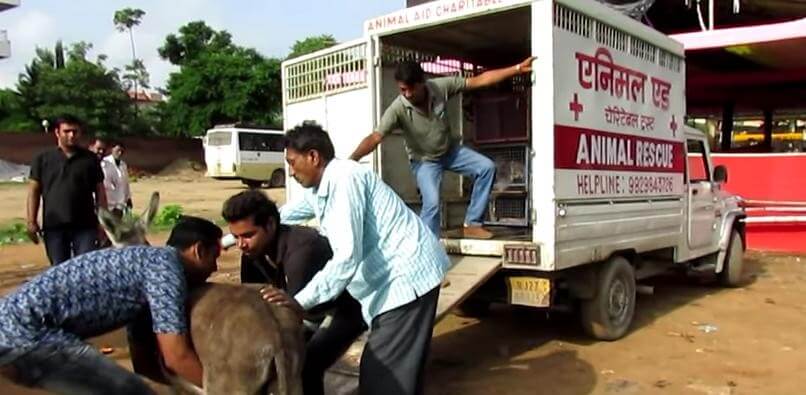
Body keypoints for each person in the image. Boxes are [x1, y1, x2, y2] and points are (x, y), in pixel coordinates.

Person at [262, 122, 450, 395]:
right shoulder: (322, 186)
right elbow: (285, 214)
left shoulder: (344, 180)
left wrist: (299, 302)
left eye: (292, 162)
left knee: (383, 378)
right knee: (397, 373)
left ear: (313, 157)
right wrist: (230, 237)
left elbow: (347, 258)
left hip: (405, 279)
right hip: (384, 283)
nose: (289, 172)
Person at [0, 216, 223, 394]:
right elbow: (177, 356)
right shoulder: (167, 270)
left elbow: (144, 356)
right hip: (27, 334)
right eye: (214, 257)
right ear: (199, 250)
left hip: (15, 326)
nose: (214, 268)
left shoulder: (146, 263)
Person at [348, 57, 535, 239]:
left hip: (450, 152)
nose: (407, 94)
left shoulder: (439, 87)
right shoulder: (398, 109)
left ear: (423, 82)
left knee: (487, 167)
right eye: (402, 89)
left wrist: (516, 69)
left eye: (411, 89)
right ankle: (427, 247)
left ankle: (472, 224)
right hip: (424, 161)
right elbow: (375, 137)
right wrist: (351, 160)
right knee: (432, 204)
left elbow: (479, 81)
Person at [221, 189, 365, 395]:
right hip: (302, 310)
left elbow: (295, 314)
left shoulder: (303, 250)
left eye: (247, 235)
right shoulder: (252, 251)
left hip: (343, 310)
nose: (241, 244)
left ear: (270, 225)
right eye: (235, 237)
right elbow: (255, 300)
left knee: (305, 364)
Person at [27, 115, 108, 265]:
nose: (72, 135)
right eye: (67, 131)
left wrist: (103, 222)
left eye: (75, 131)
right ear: (57, 132)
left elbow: (100, 192)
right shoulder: (42, 159)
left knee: (85, 267)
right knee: (59, 269)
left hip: (85, 226)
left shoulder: (90, 160)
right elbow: (34, 191)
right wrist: (31, 221)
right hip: (54, 226)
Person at [102, 142, 133, 218]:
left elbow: (125, 183)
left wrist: (128, 198)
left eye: (122, 151)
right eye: (118, 150)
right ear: (112, 149)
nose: (119, 153)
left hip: (119, 203)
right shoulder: (104, 163)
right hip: (108, 203)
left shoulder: (123, 165)